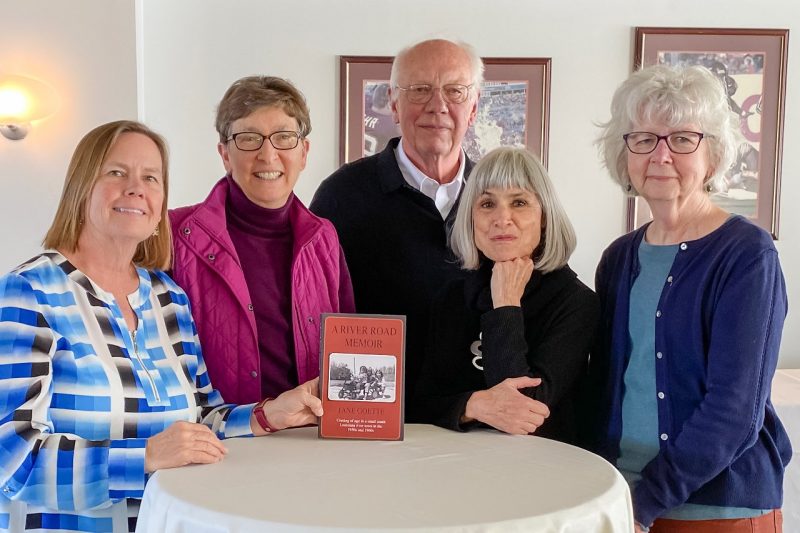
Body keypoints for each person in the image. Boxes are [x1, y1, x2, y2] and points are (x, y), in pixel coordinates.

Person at [0, 120, 323, 532]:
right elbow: (12, 459)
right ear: (81, 189)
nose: (136, 188)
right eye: (116, 172)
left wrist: (269, 415)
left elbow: (202, 420)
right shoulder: (28, 292)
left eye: (150, 178)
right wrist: (145, 456)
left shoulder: (167, 296)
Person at [593, 65, 791, 533]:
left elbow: (735, 410)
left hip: (716, 510)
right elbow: (602, 384)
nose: (660, 156)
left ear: (714, 156)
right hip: (620, 498)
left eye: (682, 139)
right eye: (643, 139)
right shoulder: (619, 257)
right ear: (624, 155)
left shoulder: (747, 254)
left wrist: (647, 502)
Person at [311, 39, 483, 416]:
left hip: (483, 424)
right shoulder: (341, 196)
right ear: (393, 102)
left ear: (473, 107)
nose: (437, 105)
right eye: (420, 89)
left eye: (455, 91)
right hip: (378, 424)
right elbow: (317, 315)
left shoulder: (501, 196)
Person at [171, 76, 355, 405]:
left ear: (304, 152)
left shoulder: (323, 237)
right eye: (249, 138)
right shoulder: (175, 234)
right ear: (225, 153)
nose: (268, 155)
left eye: (284, 138)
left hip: (310, 435)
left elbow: (347, 346)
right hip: (220, 439)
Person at [415, 147, 599, 440]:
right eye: (487, 204)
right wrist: (474, 405)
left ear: (543, 216)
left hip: (545, 472)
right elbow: (421, 402)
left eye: (519, 202)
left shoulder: (576, 303)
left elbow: (523, 412)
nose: (502, 218)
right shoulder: (451, 296)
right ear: (471, 217)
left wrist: (506, 307)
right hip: (453, 467)